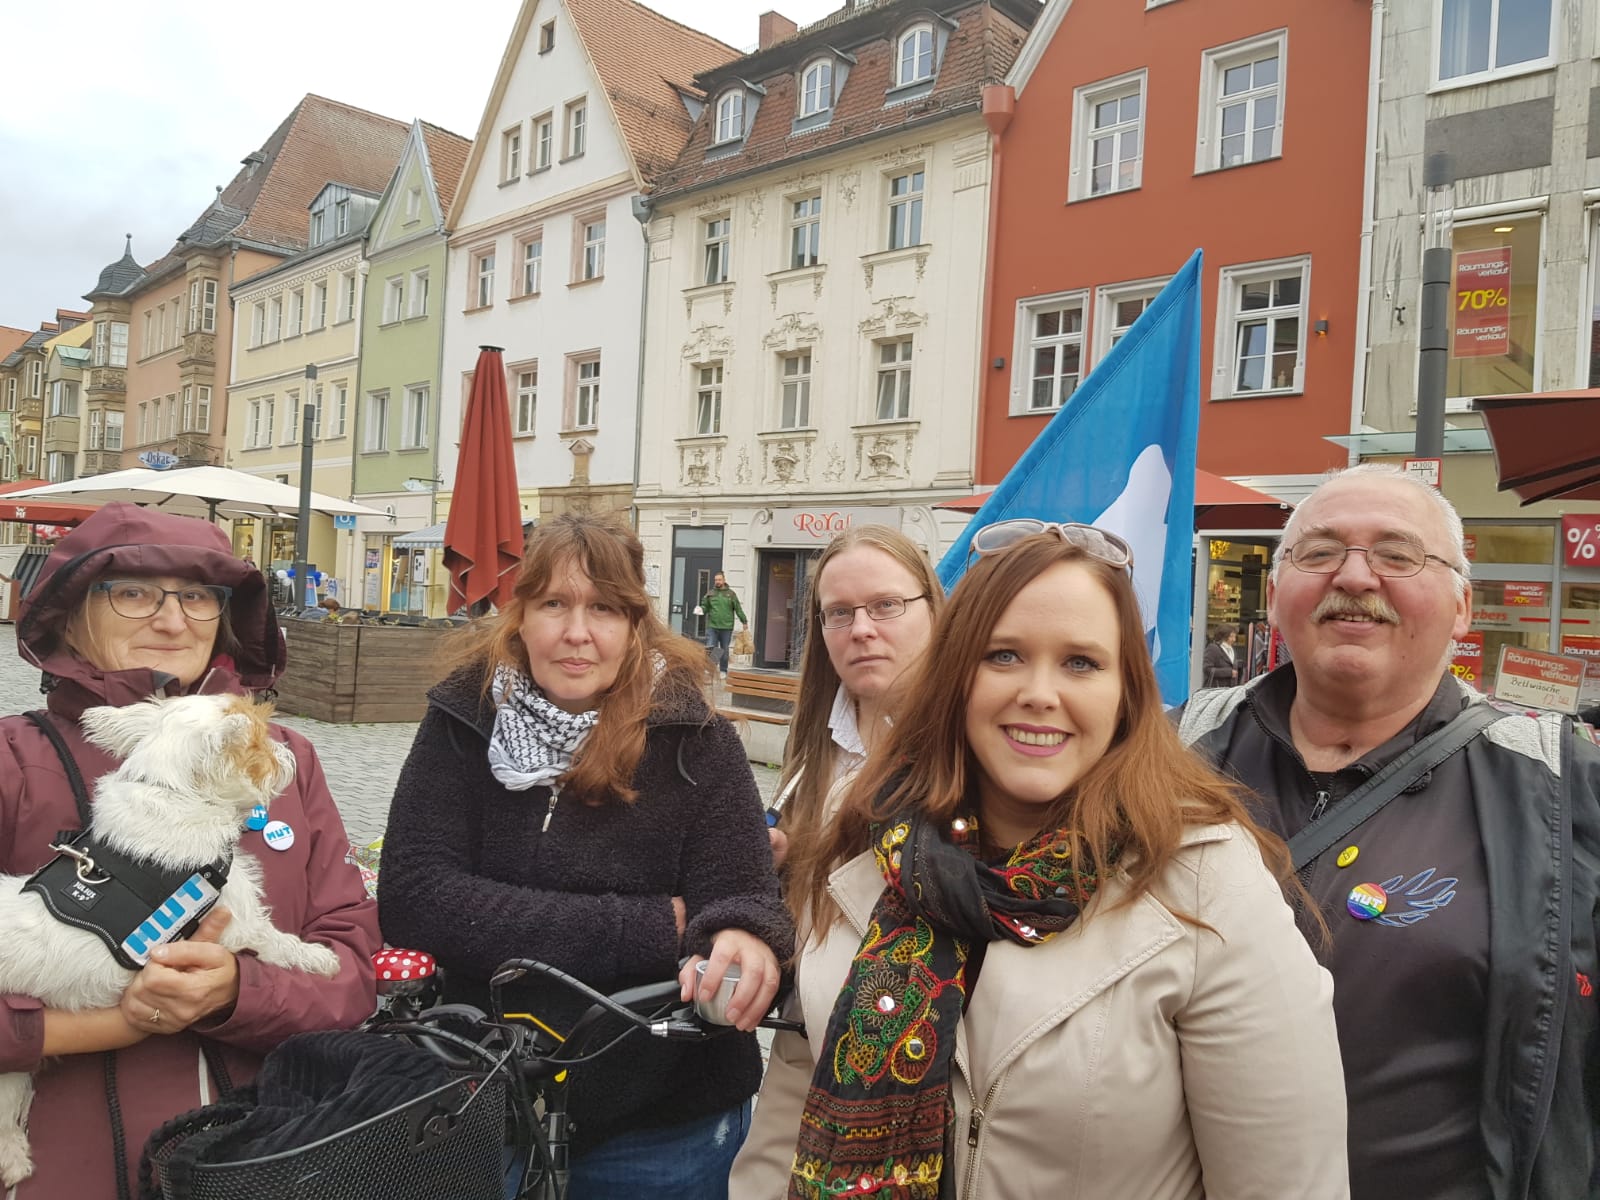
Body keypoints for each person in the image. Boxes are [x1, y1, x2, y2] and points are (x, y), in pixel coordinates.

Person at [733, 519, 1348, 1198]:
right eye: (1003, 655)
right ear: (954, 676)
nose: (1039, 692)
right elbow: (789, 1113)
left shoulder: (1207, 879)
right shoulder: (861, 834)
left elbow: (1286, 1181)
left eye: (1081, 662)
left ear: (1126, 694)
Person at [1178, 463, 1600, 1200]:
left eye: (1398, 555)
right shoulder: (1164, 756)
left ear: (1463, 605)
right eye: (1319, 552)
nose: (1355, 576)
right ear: (1275, 595)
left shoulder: (1567, 787)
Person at [377, 513, 792, 1200]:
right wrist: (654, 927)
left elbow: (739, 895)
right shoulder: (463, 720)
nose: (577, 633)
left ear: (635, 623)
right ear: (520, 616)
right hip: (480, 1095)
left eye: (603, 608)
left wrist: (740, 934)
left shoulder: (695, 740)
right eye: (554, 605)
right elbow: (415, 900)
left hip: (664, 1116)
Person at [0, 501, 380, 1199]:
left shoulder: (286, 761)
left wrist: (238, 990)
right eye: (135, 592)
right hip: (58, 1176)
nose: (173, 620)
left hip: (262, 1164)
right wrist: (106, 1023)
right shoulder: (11, 761)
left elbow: (351, 971)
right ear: (73, 610)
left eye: (199, 595)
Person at [769, 525, 941, 869]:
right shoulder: (813, 739)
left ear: (934, 610)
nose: (861, 629)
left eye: (887, 604)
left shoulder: (970, 741)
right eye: (840, 612)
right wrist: (788, 861)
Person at [700, 571, 747, 676]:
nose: (717, 581)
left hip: (726, 627)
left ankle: (723, 670)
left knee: (724, 650)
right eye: (716, 580)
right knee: (712, 647)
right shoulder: (710, 594)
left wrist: (744, 621)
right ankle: (710, 669)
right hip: (713, 625)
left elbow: (738, 609)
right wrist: (700, 610)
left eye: (719, 580)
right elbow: (705, 606)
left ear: (724, 580)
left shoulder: (731, 594)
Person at [1201, 622, 1239, 687]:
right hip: (1216, 690)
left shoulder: (1232, 651)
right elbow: (1207, 669)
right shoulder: (1213, 648)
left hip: (1230, 691)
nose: (1234, 639)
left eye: (1235, 637)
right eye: (1231, 636)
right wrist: (1229, 672)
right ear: (1223, 636)